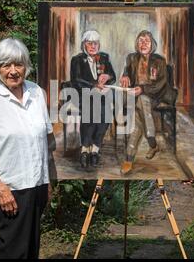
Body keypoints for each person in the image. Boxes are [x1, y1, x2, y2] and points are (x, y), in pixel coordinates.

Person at [0, 38, 54, 259]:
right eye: (6, 65)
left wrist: (46, 182)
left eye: (19, 64)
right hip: (10, 188)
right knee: (12, 252)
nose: (13, 71)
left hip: (36, 185)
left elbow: (43, 142)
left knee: (31, 250)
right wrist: (1, 190)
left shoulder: (37, 93)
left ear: (26, 66)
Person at [119, 30, 177, 174]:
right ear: (136, 44)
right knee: (140, 116)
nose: (143, 44)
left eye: (147, 41)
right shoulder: (131, 58)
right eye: (140, 40)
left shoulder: (159, 61)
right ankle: (152, 141)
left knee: (142, 105)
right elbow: (127, 72)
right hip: (137, 97)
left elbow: (161, 84)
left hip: (156, 95)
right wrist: (125, 76)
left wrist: (143, 89)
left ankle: (128, 159)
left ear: (152, 45)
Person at [70, 30, 116, 170]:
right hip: (83, 94)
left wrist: (107, 77)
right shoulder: (77, 60)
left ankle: (95, 149)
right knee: (91, 112)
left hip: (101, 96)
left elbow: (113, 77)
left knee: (106, 115)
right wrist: (93, 85)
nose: (93, 46)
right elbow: (76, 80)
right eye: (90, 43)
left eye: (95, 43)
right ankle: (85, 150)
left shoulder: (104, 58)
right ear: (84, 44)